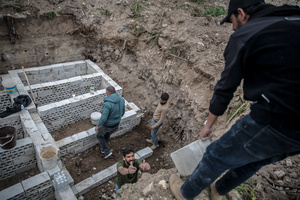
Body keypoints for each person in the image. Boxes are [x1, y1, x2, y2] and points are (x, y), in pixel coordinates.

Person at [170, 0, 300, 199]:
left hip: (279, 117)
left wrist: (208, 125)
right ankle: (219, 190)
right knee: (256, 159)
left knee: (215, 155)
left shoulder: (245, 35)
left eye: (232, 20)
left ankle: (185, 193)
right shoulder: (293, 17)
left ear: (241, 13)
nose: (232, 27)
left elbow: (226, 87)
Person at [95, 86, 125, 159]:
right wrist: (117, 119)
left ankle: (107, 151)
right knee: (107, 134)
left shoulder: (107, 104)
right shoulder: (121, 99)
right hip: (116, 124)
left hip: (108, 125)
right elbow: (123, 112)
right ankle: (103, 148)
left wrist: (98, 125)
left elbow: (104, 118)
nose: (106, 95)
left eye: (106, 93)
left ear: (108, 93)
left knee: (99, 135)